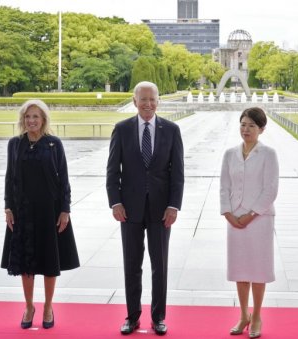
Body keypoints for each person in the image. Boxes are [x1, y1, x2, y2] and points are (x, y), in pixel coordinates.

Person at [106, 81, 184, 336]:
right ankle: (132, 316)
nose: (148, 104)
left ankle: (158, 317)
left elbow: (178, 174)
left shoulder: (171, 130)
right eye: (143, 99)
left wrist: (174, 205)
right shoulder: (122, 129)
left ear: (158, 101)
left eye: (152, 99)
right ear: (134, 100)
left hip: (162, 210)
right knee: (132, 264)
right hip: (128, 209)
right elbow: (112, 171)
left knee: (159, 265)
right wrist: (115, 202)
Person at [1, 99, 79, 329]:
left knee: (48, 260)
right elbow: (9, 178)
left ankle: (47, 306)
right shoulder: (14, 144)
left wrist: (65, 209)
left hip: (49, 211)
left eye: (35, 116)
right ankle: (29, 306)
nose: (31, 121)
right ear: (22, 120)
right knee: (26, 262)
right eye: (27, 117)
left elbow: (63, 179)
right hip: (22, 210)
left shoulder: (54, 144)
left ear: (43, 119)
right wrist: (8, 207)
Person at [220, 107, 279, 338]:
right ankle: (243, 314)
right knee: (240, 269)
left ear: (261, 129)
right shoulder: (229, 154)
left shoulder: (268, 154)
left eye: (252, 126)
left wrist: (251, 214)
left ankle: (256, 316)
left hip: (260, 219)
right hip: (234, 219)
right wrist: (228, 214)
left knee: (258, 269)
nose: (246, 129)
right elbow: (224, 186)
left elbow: (270, 189)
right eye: (243, 124)